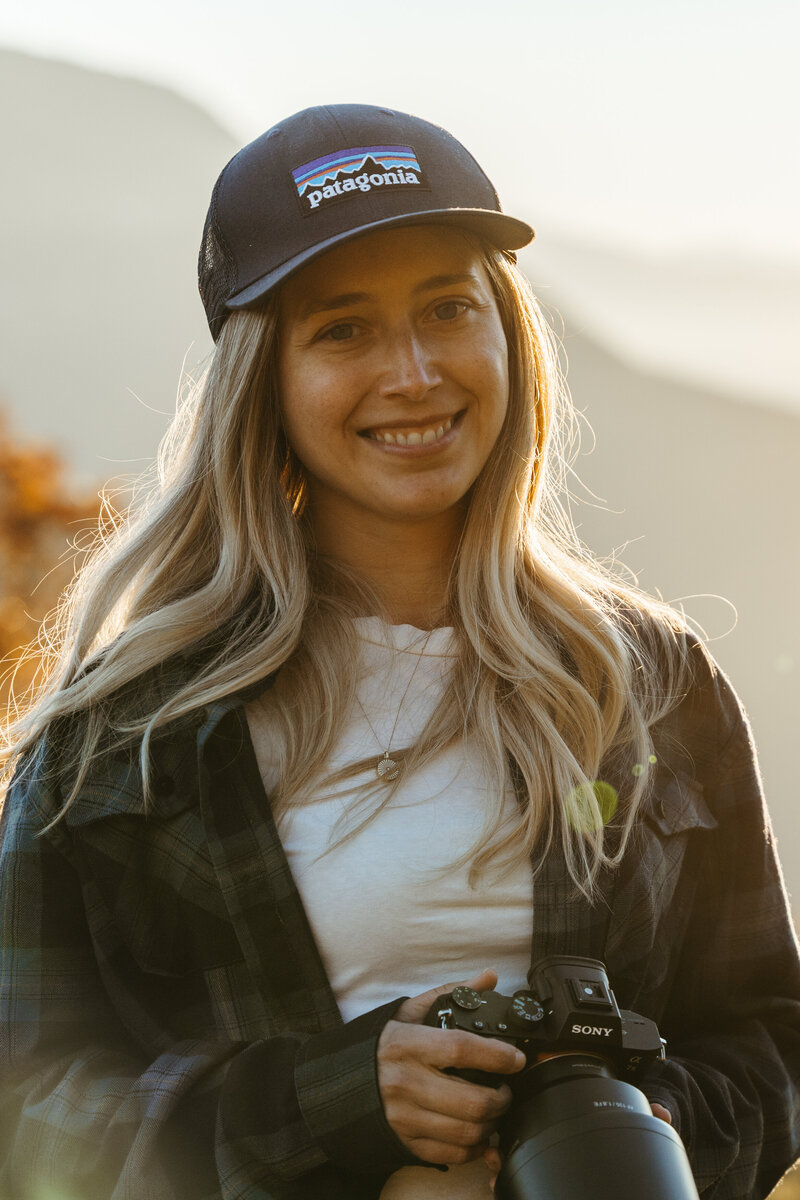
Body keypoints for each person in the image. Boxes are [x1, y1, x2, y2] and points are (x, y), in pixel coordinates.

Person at [0, 103, 798, 1200]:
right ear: (261, 378)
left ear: (505, 331)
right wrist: (332, 1103)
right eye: (343, 329)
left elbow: (765, 1035)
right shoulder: (133, 727)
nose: (414, 372)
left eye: (446, 308)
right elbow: (23, 1093)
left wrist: (636, 1127)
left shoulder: (648, 684)